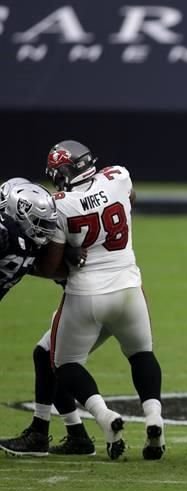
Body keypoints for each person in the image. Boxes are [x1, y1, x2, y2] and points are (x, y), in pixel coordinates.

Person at [35, 140, 166, 461]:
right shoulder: (119, 177)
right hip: (129, 288)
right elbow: (129, 203)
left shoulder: (60, 204)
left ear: (65, 172)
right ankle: (154, 420)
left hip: (86, 296)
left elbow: (52, 267)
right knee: (141, 354)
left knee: (63, 364)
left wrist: (67, 253)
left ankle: (105, 418)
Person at [0, 177, 96, 457]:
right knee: (49, 357)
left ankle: (58, 433)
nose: (44, 230)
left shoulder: (12, 234)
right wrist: (70, 254)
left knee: (51, 358)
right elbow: (48, 267)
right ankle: (71, 433)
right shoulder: (30, 246)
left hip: (89, 303)